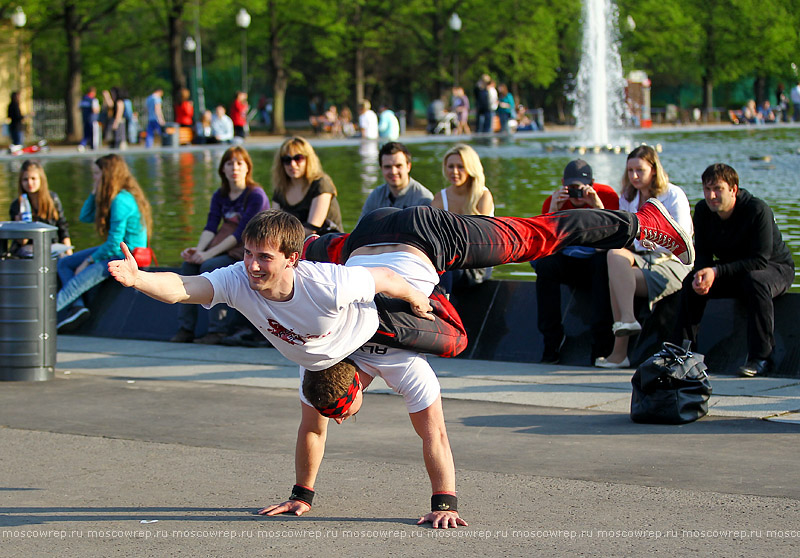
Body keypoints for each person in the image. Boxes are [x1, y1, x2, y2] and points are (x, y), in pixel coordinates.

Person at [675, 164, 794, 377]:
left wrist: (716, 272)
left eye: (718, 189)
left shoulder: (757, 210)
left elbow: (759, 260)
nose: (712, 196)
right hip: (734, 271)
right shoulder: (703, 210)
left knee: (755, 281)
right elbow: (702, 252)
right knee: (691, 283)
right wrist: (703, 274)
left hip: (774, 268)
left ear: (733, 190)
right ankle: (684, 352)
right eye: (707, 189)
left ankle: (761, 358)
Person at [594, 146, 692, 369]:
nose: (634, 176)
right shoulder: (628, 198)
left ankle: (619, 353)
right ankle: (628, 319)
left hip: (672, 262)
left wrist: (641, 240)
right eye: (630, 171)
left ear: (654, 170)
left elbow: (680, 239)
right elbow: (624, 237)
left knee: (616, 280)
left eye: (640, 170)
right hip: (641, 257)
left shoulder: (673, 195)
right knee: (613, 255)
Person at [171, 146, 270, 345]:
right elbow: (210, 226)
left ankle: (218, 329)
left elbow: (240, 233)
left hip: (247, 251)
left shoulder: (256, 195)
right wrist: (199, 251)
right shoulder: (220, 195)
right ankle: (186, 328)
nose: (234, 167)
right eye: (229, 163)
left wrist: (208, 255)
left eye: (239, 163)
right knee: (189, 266)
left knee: (210, 266)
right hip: (224, 247)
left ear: (247, 168)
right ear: (222, 169)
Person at [533, 159, 619, 364]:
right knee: (545, 265)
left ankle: (601, 344)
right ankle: (552, 341)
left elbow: (616, 239)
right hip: (568, 262)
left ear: (592, 184)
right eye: (570, 188)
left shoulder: (607, 196)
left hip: (596, 264)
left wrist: (598, 208)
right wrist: (553, 212)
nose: (576, 195)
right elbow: (544, 245)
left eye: (580, 189)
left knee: (602, 261)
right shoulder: (554, 201)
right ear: (563, 184)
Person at [57, 154, 152, 332]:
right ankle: (77, 307)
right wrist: (94, 191)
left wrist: (88, 261)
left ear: (107, 175)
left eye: (96, 174)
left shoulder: (121, 200)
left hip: (126, 255)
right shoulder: (113, 197)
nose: (93, 177)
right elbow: (85, 216)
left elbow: (115, 243)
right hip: (115, 251)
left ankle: (41, 319)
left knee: (78, 281)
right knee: (64, 263)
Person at [432, 144, 494, 294]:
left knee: (448, 271)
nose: (454, 171)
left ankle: (444, 308)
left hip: (478, 263)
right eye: (450, 166)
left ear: (470, 168)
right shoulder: (441, 198)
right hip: (448, 260)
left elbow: (480, 240)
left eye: (460, 167)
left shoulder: (483, 196)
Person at [271, 136, 343, 237]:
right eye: (287, 160)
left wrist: (280, 238)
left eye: (298, 158)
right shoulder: (280, 189)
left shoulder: (321, 184)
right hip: (292, 244)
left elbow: (312, 228)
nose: (292, 164)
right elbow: (273, 224)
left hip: (325, 244)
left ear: (308, 160)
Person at [9, 160, 72, 258]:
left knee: (64, 259)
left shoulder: (52, 199)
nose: (29, 183)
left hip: (51, 246)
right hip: (27, 248)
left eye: (33, 178)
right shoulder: (17, 205)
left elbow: (62, 228)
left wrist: (69, 254)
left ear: (41, 179)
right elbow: (22, 242)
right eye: (25, 179)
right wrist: (20, 225)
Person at [359, 142, 433, 220]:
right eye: (387, 167)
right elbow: (359, 230)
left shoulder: (424, 199)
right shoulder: (375, 196)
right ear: (381, 168)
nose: (393, 171)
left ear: (408, 166)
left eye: (398, 166)